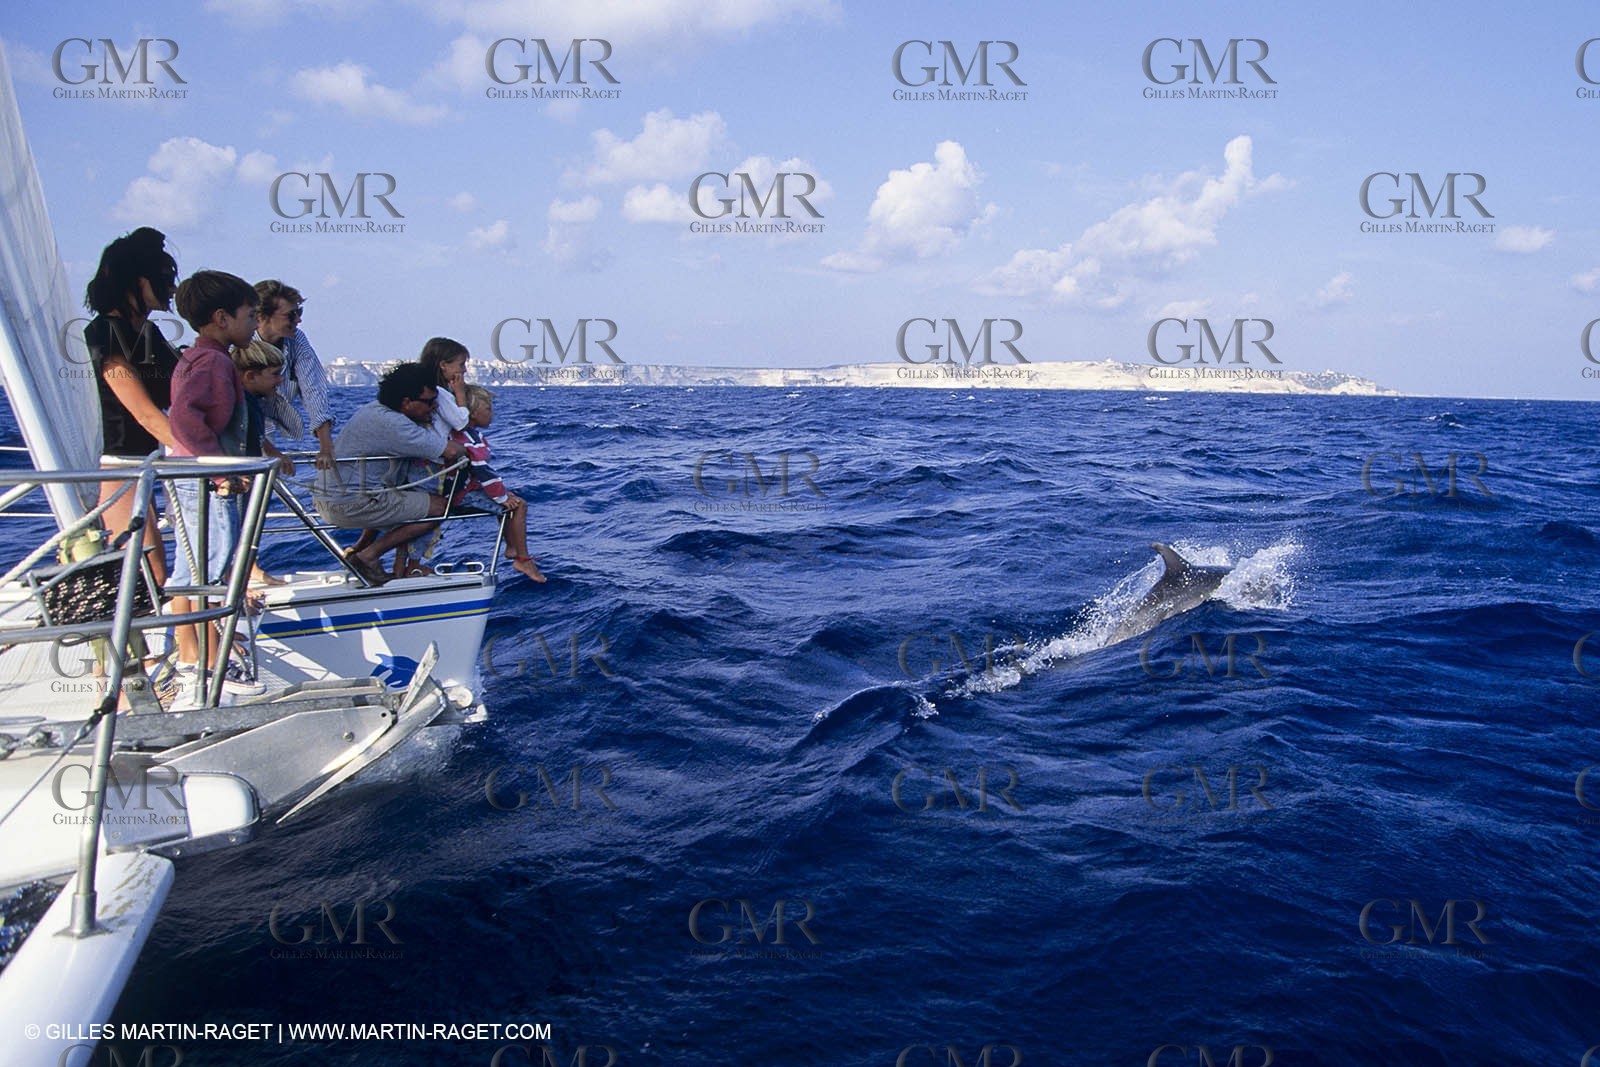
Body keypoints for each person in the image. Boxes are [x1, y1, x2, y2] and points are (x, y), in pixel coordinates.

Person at [167, 269, 262, 691]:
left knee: (194, 564)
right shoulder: (213, 361)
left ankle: (194, 644)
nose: (255, 323)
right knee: (211, 560)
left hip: (194, 477)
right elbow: (186, 418)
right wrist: (222, 470)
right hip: (207, 481)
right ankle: (203, 653)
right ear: (222, 317)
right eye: (251, 314)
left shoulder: (195, 356)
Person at [82, 227, 181, 581]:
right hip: (120, 466)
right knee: (148, 575)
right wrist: (202, 454)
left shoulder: (150, 334)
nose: (171, 288)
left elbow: (181, 391)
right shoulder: (105, 333)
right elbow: (143, 412)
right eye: (164, 279)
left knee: (157, 573)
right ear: (138, 282)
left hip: (149, 462)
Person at [312, 362, 464, 587]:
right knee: (440, 508)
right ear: (406, 402)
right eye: (430, 402)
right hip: (349, 504)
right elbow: (453, 451)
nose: (434, 407)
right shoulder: (397, 425)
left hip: (330, 498)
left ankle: (359, 550)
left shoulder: (374, 410)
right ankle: (369, 556)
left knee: (392, 494)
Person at [452, 386, 545, 583]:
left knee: (508, 499)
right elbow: (482, 470)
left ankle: (511, 547)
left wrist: (502, 495)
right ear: (473, 413)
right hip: (462, 494)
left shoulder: (464, 435)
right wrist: (501, 497)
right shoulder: (470, 439)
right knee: (518, 506)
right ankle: (522, 559)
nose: (491, 414)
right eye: (488, 409)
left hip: (466, 488)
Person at [254, 279, 336, 470]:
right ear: (263, 317)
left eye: (299, 312)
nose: (298, 320)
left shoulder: (296, 339)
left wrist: (326, 445)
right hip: (231, 438)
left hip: (264, 431)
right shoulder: (241, 345)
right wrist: (271, 452)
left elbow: (313, 389)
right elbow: (238, 407)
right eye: (291, 315)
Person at [419, 336, 471, 435]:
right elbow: (461, 423)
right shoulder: (438, 393)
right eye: (461, 365)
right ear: (443, 365)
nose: (464, 370)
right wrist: (460, 394)